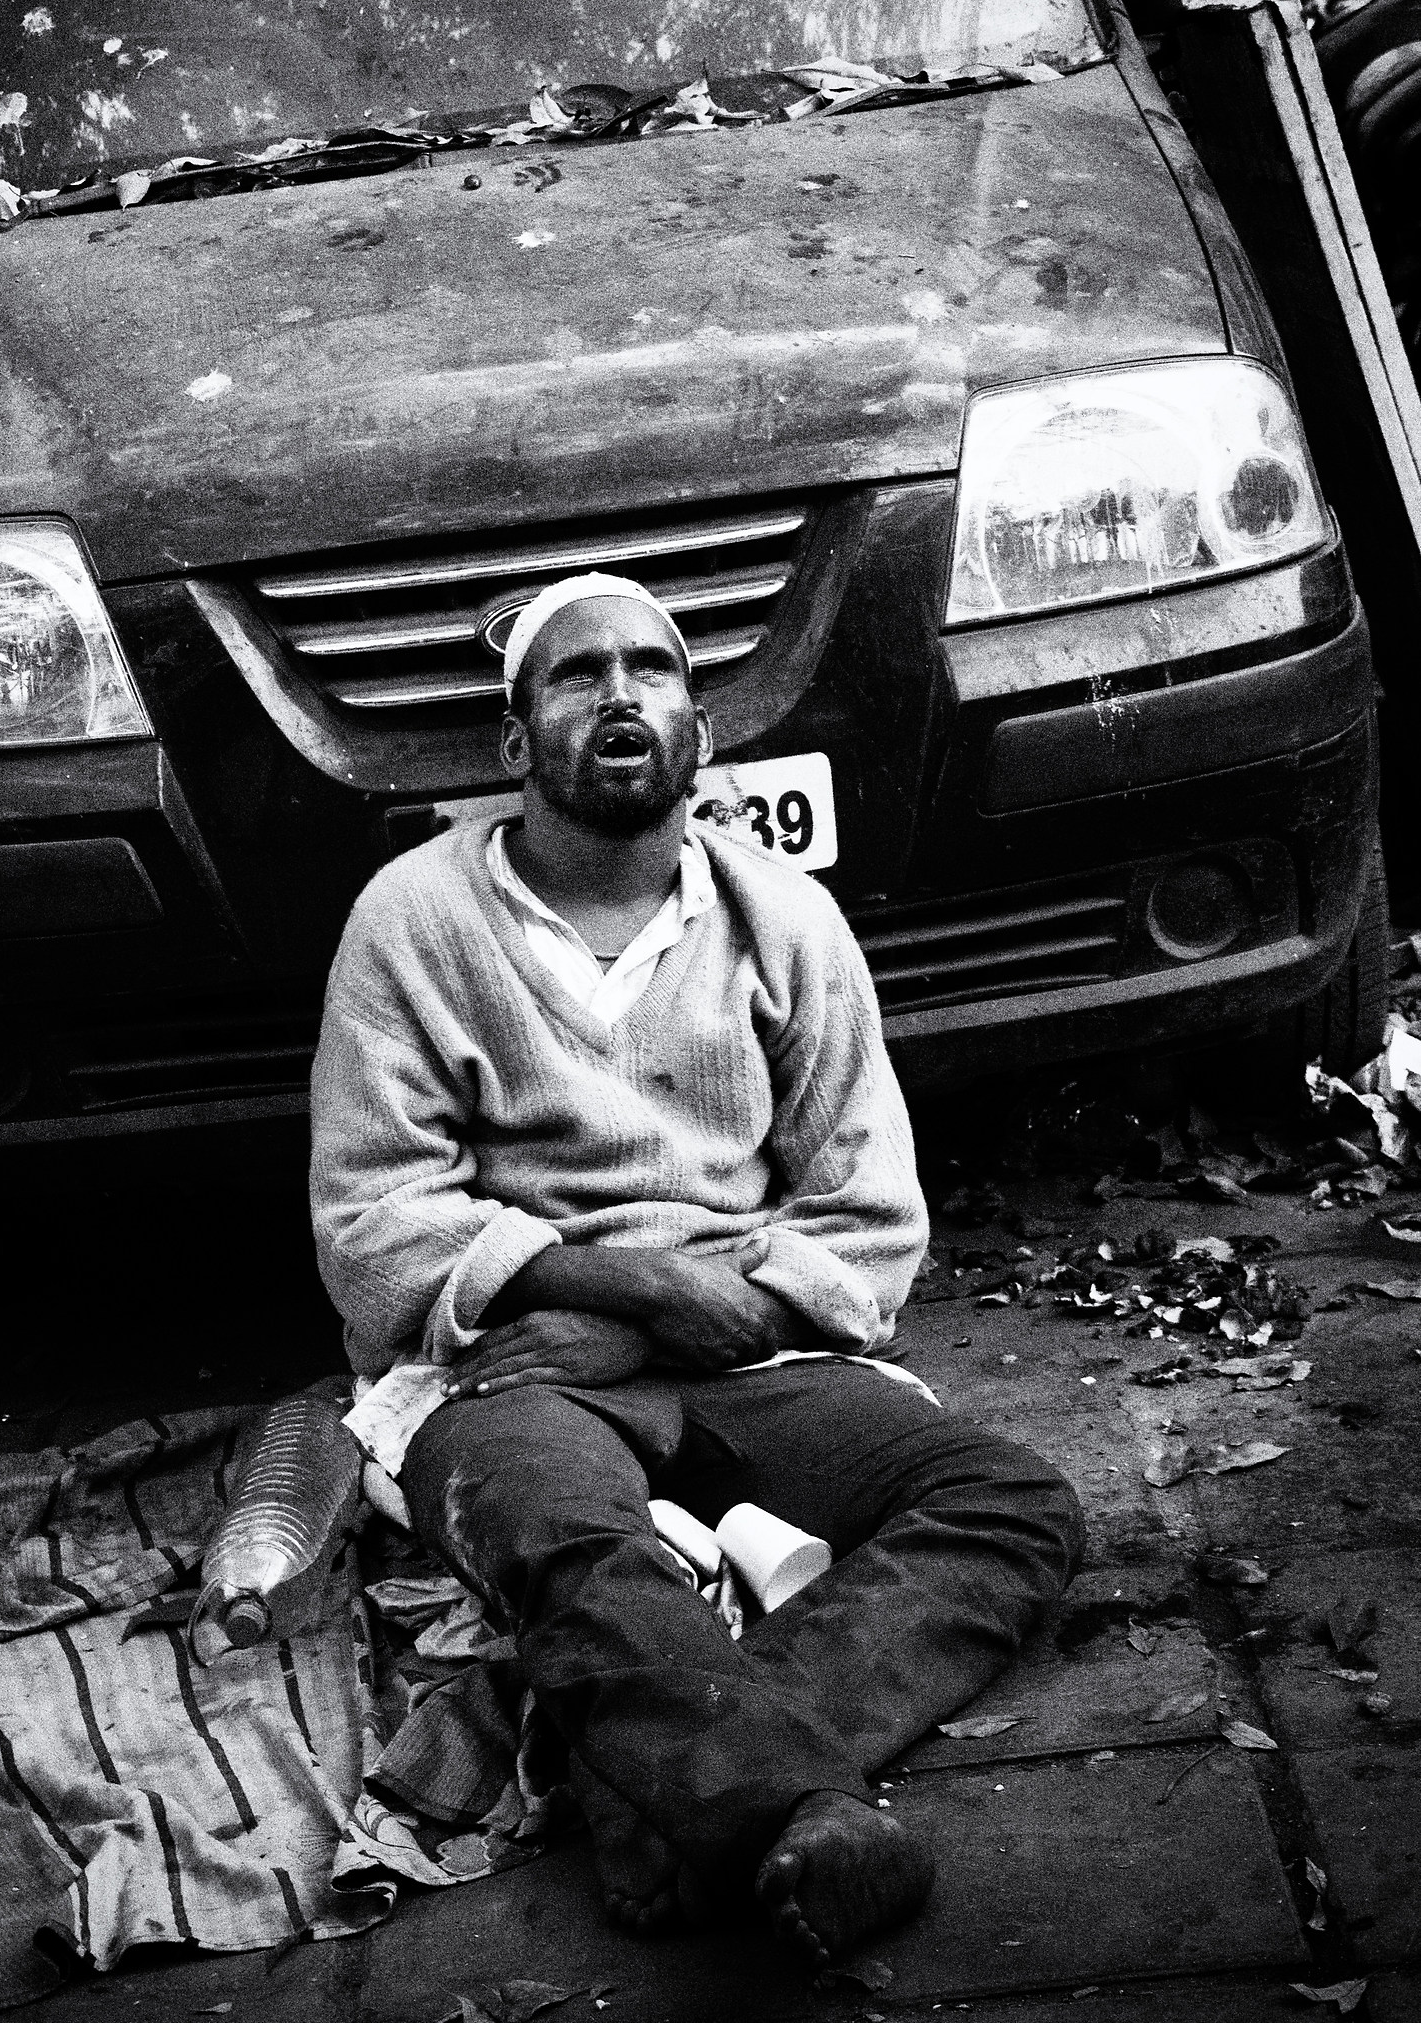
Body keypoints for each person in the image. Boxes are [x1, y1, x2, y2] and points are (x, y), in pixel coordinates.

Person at [310, 574, 1084, 1965]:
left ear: (694, 728)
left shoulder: (778, 915)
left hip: (752, 1349)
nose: (619, 694)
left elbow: (867, 1209)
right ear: (513, 742)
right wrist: (622, 1293)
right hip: (511, 1368)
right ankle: (794, 1806)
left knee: (1011, 1505)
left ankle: (654, 1783)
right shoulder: (412, 920)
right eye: (575, 674)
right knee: (558, 1536)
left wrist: (676, 1317)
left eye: (651, 671)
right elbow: (372, 1221)